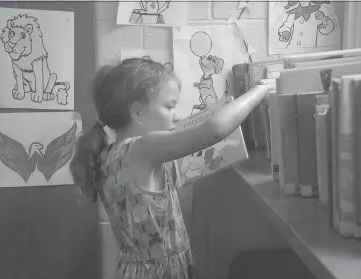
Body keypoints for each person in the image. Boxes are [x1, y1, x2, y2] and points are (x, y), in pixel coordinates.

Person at [69, 57, 269, 279]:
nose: (176, 115)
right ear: (138, 112)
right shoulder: (143, 148)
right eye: (169, 106)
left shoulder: (110, 154)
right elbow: (215, 129)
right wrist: (261, 90)